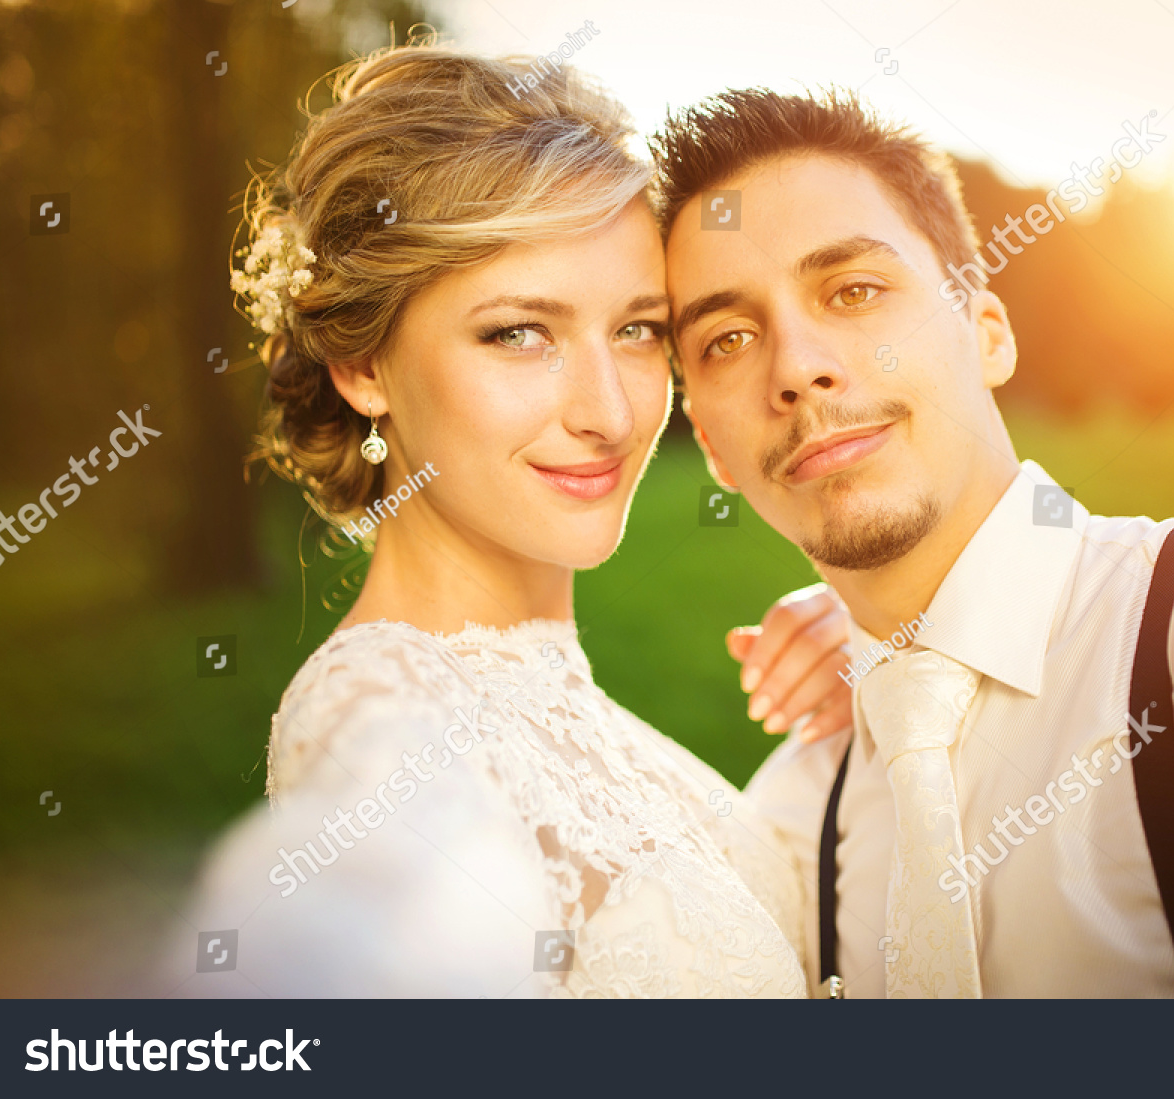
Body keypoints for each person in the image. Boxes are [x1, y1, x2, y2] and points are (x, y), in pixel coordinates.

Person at [654, 87, 1174, 998]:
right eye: (728, 338)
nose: (797, 365)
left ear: (988, 332)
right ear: (710, 445)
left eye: (854, 290)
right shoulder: (792, 827)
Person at [163, 42, 855, 998]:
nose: (608, 413)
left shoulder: (577, 707)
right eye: (518, 333)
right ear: (363, 366)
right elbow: (380, 912)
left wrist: (867, 680)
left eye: (637, 330)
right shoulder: (378, 710)